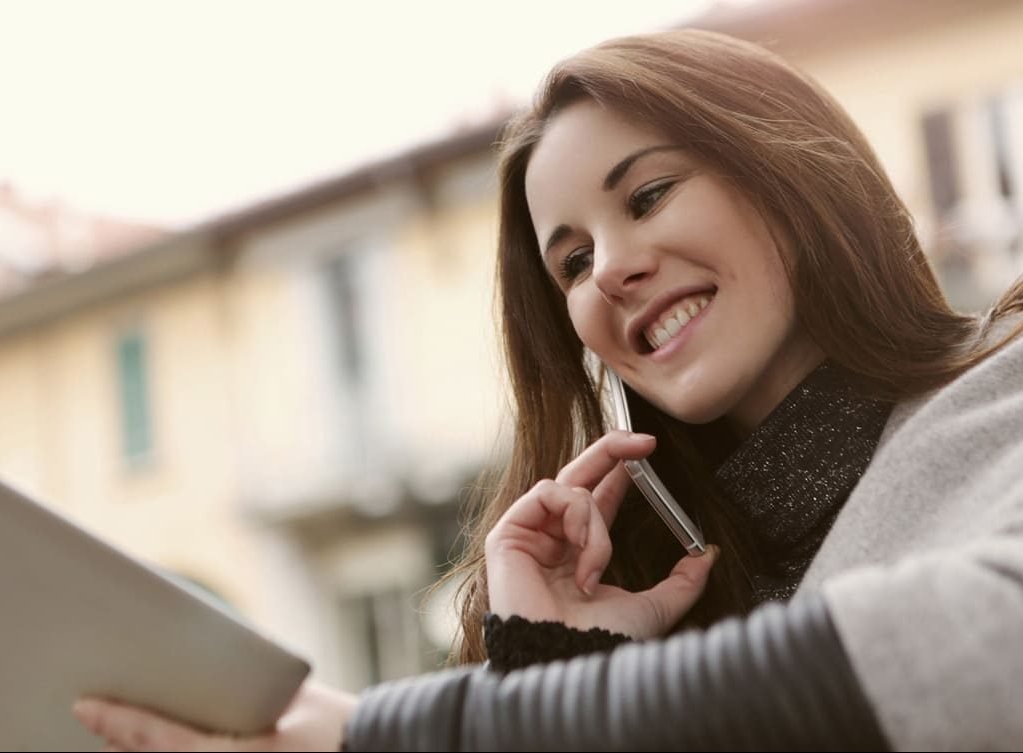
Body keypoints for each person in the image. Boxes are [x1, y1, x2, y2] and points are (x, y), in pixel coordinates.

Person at [71, 29, 1023, 751]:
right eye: (571, 261)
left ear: (790, 174)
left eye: (647, 196)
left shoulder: (1004, 384)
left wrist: (401, 733)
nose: (608, 269)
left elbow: (977, 648)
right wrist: (562, 662)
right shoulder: (665, 607)